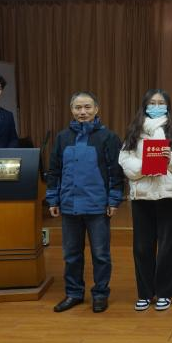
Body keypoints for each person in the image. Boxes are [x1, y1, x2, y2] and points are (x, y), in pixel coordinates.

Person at [46, 91, 124, 313]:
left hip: (97, 207)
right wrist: (53, 199)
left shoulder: (108, 137)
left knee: (100, 255)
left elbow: (115, 172)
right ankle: (74, 293)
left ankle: (100, 294)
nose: (83, 112)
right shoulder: (62, 137)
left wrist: (113, 200)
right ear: (71, 110)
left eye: (87, 107)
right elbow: (54, 170)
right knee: (71, 255)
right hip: (69, 206)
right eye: (78, 107)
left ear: (96, 109)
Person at [119, 89, 172, 311]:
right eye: (152, 102)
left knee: (168, 247)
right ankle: (145, 293)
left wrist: (171, 158)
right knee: (142, 246)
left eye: (160, 103)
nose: (156, 106)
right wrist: (144, 167)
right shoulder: (135, 128)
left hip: (169, 195)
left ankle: (165, 293)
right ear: (145, 105)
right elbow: (124, 158)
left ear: (168, 106)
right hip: (142, 196)